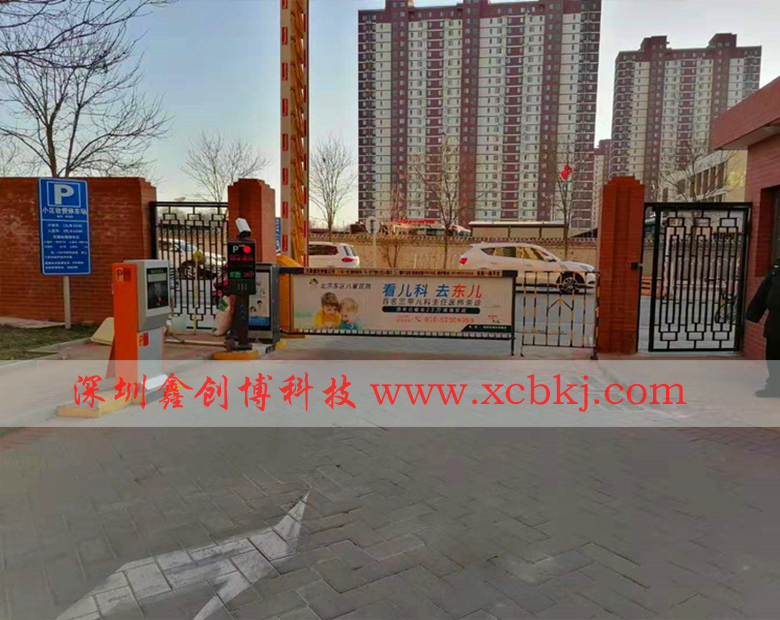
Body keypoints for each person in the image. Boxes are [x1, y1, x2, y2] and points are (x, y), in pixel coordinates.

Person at [746, 257, 780, 398]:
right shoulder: (778, 265)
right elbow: (765, 289)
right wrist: (754, 313)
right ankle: (775, 386)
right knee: (773, 354)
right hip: (776, 320)